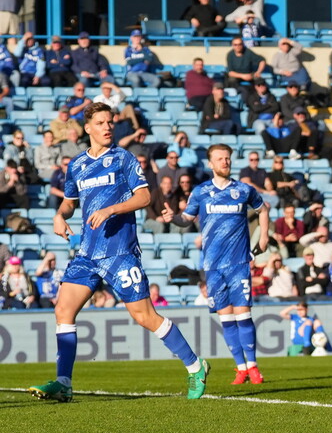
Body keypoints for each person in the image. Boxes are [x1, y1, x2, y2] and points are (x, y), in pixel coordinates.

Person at [29, 102, 209, 403]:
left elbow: (144, 196)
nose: (108, 127)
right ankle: (63, 383)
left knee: (144, 316)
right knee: (63, 310)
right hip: (87, 252)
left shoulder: (123, 158)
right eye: (101, 123)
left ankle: (195, 365)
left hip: (120, 252)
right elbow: (70, 204)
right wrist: (59, 215)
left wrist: (111, 208)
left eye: (110, 122)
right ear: (87, 128)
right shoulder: (76, 165)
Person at [164, 143, 270, 385]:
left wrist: (263, 237)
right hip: (212, 265)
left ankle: (253, 367)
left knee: (243, 313)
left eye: (228, 158)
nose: (225, 162)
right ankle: (240, 368)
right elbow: (186, 219)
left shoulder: (243, 190)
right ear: (210, 164)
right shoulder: (201, 192)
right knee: (225, 317)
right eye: (220, 159)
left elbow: (263, 211)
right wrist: (174, 218)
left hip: (238, 262)